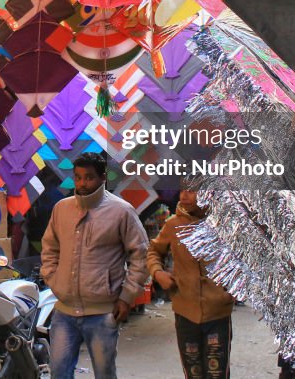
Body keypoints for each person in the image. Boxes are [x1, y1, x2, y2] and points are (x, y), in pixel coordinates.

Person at [40, 152, 149, 379]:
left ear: (103, 178)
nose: (82, 183)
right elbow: (49, 248)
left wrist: (126, 297)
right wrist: (54, 281)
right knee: (58, 372)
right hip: (64, 310)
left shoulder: (121, 211)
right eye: (78, 177)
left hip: (102, 312)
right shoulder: (62, 209)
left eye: (88, 177)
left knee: (104, 373)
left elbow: (140, 255)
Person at [147, 190, 235, 379]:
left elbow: (243, 257)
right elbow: (154, 251)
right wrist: (158, 273)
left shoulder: (223, 223)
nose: (184, 196)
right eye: (182, 190)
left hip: (217, 311)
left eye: (192, 191)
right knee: (193, 371)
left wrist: (231, 290)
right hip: (185, 310)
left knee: (216, 372)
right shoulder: (173, 224)